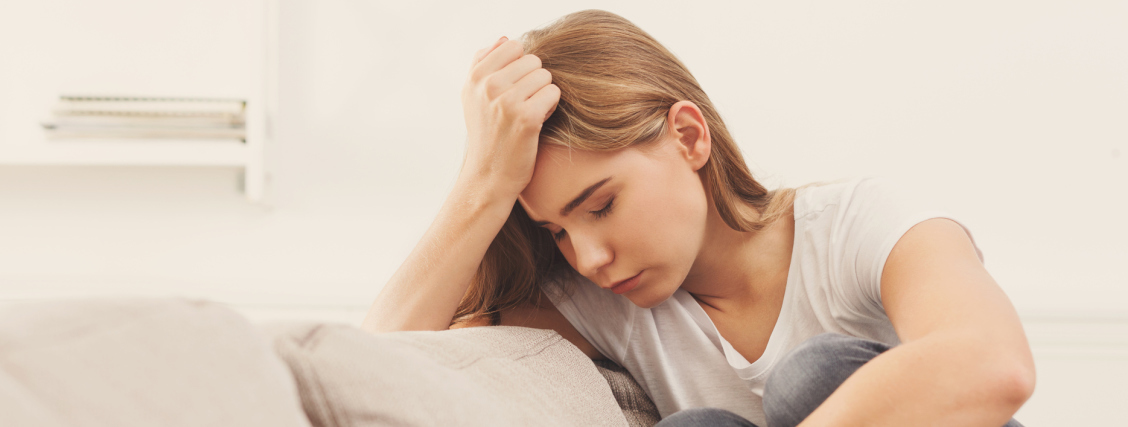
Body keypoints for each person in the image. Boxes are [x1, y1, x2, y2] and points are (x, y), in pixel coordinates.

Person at [362, 9, 1033, 427]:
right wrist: (482, 180)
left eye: (601, 204)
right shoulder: (602, 301)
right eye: (556, 231)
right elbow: (381, 368)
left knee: (811, 376)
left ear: (688, 137)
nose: (589, 255)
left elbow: (995, 365)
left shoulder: (855, 224)